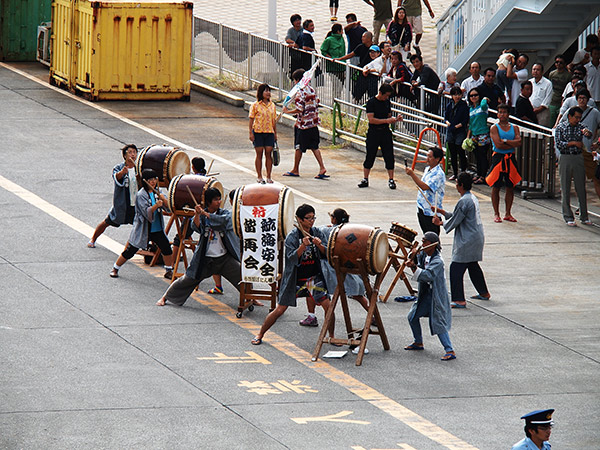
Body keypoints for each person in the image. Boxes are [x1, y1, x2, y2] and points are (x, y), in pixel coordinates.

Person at [251, 204, 335, 345]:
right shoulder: (292, 237)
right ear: (299, 220)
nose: (311, 221)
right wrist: (303, 246)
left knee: (328, 306)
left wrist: (319, 245)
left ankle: (331, 336)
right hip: (295, 279)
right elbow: (290, 258)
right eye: (308, 218)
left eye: (313, 218)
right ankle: (260, 334)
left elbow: (327, 253)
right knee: (280, 309)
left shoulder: (317, 232)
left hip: (313, 278)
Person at [156, 187, 244, 306]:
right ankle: (166, 297)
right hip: (205, 258)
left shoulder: (224, 213)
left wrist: (205, 214)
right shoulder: (202, 215)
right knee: (187, 279)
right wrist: (197, 214)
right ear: (208, 202)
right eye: (216, 200)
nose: (219, 202)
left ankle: (251, 299)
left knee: (241, 278)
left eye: (219, 199)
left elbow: (224, 221)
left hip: (223, 257)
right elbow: (196, 226)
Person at [433, 172, 490, 309]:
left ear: (461, 185)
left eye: (457, 183)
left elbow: (456, 220)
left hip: (468, 239)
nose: (456, 186)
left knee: (456, 268)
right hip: (476, 236)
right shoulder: (471, 198)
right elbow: (459, 216)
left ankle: (459, 299)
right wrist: (443, 213)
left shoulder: (464, 201)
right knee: (472, 265)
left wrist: (440, 223)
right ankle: (484, 292)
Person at [110, 169, 174, 279]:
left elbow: (169, 208)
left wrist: (164, 201)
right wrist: (156, 205)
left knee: (166, 248)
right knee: (131, 250)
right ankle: (115, 268)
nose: (153, 182)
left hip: (156, 227)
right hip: (144, 228)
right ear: (145, 181)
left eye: (154, 179)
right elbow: (146, 212)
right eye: (150, 180)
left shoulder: (157, 192)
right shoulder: (141, 195)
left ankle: (168, 270)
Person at [404, 231, 456, 361]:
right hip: (425, 294)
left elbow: (428, 275)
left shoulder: (438, 261)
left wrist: (413, 266)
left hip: (436, 295)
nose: (422, 244)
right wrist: (413, 254)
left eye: (424, 242)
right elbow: (414, 258)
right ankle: (418, 341)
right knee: (412, 316)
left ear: (432, 245)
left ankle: (450, 350)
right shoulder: (424, 255)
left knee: (438, 322)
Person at [88, 144, 138, 248]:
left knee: (143, 225)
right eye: (130, 152)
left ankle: (138, 247)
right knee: (107, 221)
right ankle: (93, 239)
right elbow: (116, 177)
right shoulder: (119, 167)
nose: (132, 155)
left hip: (136, 203)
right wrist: (122, 173)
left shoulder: (139, 168)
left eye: (134, 152)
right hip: (122, 203)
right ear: (124, 156)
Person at [282, 69, 329, 179]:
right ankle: (322, 167)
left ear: (297, 80)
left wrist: (287, 111)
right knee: (314, 147)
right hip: (313, 123)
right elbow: (317, 103)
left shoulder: (300, 92)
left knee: (299, 147)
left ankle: (295, 169)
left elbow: (299, 109)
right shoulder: (311, 90)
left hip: (303, 125)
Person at [358, 83, 403, 189]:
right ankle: (365, 178)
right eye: (386, 95)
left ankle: (391, 178)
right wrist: (386, 121)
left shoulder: (387, 103)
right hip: (374, 132)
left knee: (389, 155)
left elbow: (389, 116)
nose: (386, 98)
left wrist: (395, 119)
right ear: (381, 93)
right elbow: (371, 119)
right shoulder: (371, 102)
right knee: (370, 155)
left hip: (385, 132)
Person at [558, 89, 600, 203]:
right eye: (580, 98)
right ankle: (577, 205)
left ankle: (584, 206)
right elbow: (560, 125)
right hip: (571, 153)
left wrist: (596, 143)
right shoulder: (570, 113)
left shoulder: (594, 113)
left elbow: (593, 130)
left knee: (594, 177)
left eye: (584, 98)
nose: (582, 100)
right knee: (572, 180)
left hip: (587, 151)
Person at [554, 106, 593, 226]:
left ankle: (584, 215)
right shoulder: (561, 127)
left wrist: (587, 133)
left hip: (578, 157)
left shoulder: (580, 127)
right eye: (576, 117)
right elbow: (560, 144)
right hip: (565, 157)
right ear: (569, 116)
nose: (577, 120)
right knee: (565, 187)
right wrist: (573, 143)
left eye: (579, 118)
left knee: (581, 187)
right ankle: (568, 216)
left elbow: (588, 133)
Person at [487, 103, 522, 223]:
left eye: (504, 112)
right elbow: (498, 144)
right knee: (496, 186)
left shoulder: (515, 127)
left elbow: (518, 142)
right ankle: (496, 213)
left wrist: (506, 141)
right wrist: (510, 142)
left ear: (508, 114)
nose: (502, 114)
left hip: (510, 157)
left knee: (510, 186)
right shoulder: (494, 127)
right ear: (497, 114)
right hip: (498, 158)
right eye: (500, 112)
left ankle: (508, 213)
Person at [405, 146, 445, 235]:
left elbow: (424, 186)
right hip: (422, 208)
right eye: (427, 156)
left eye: (430, 157)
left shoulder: (438, 174)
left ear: (437, 159)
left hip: (431, 212)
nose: (427, 159)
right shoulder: (427, 169)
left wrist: (412, 174)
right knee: (426, 236)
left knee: (432, 238)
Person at [249, 83, 277, 184]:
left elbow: (274, 121)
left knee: (269, 153)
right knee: (259, 153)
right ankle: (259, 176)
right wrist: (250, 133)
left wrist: (275, 133)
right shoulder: (255, 105)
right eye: (266, 91)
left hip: (269, 132)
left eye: (269, 91)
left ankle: (269, 176)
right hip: (258, 132)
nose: (268, 93)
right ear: (261, 93)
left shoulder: (272, 105)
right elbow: (251, 119)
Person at [444, 86, 469, 180]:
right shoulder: (449, 105)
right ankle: (455, 173)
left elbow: (465, 119)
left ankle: (463, 171)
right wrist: (447, 123)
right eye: (455, 94)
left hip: (460, 131)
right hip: (451, 130)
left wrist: (458, 125)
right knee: (452, 152)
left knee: (460, 151)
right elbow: (445, 116)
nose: (457, 96)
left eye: (458, 94)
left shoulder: (463, 105)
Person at [467, 88, 490, 184]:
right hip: (475, 135)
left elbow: (485, 104)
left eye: (476, 95)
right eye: (471, 96)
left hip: (483, 134)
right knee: (477, 155)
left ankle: (483, 176)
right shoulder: (471, 109)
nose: (474, 97)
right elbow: (471, 124)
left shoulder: (482, 107)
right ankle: (479, 173)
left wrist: (484, 98)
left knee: (482, 155)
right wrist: (468, 136)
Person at [548, 55, 571, 125]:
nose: (558, 64)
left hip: (562, 101)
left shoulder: (568, 75)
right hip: (552, 101)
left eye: (561, 62)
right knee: (551, 122)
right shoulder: (552, 74)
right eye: (557, 62)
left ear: (564, 64)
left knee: (561, 122)